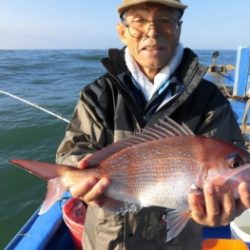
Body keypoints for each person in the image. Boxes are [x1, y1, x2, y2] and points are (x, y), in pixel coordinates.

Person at [56, 0, 250, 249]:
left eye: (165, 20)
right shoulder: (98, 94)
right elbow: (71, 153)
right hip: (108, 242)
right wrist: (81, 177)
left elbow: (233, 164)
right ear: (122, 31)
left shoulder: (209, 99)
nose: (152, 31)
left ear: (178, 28)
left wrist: (228, 207)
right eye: (139, 20)